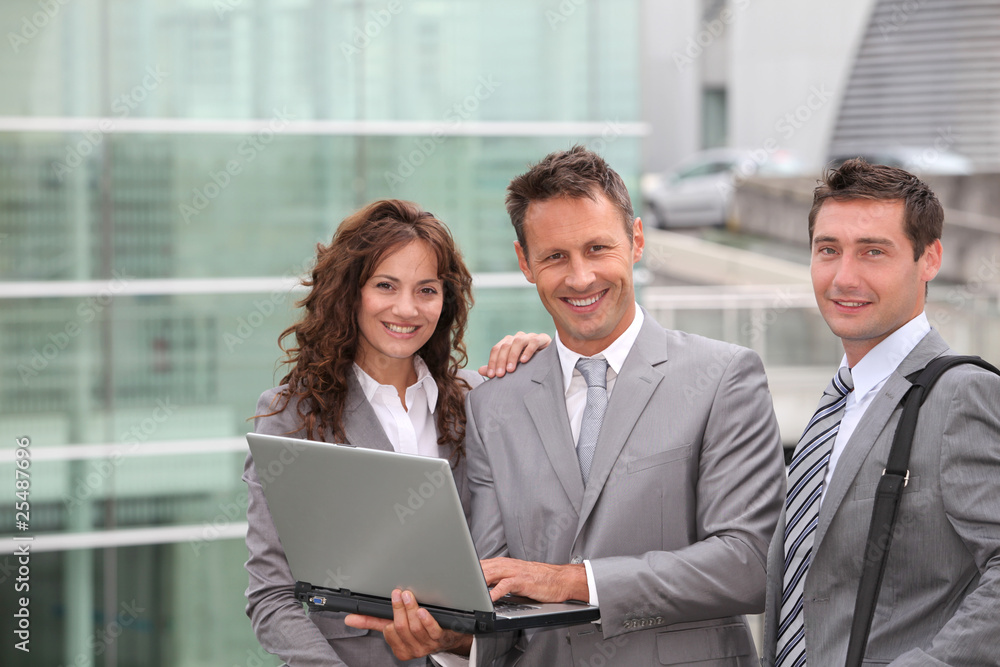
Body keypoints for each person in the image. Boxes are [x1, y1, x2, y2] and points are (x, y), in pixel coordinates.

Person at [348, 146, 787, 665]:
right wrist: (451, 638)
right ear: (525, 263)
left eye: (598, 248)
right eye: (555, 256)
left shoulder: (724, 378)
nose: (580, 278)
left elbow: (748, 565)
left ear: (637, 240)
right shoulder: (494, 404)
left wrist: (574, 582)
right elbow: (497, 590)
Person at [243, 199, 548, 667]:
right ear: (350, 292)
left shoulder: (480, 401)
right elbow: (271, 598)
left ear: (445, 300)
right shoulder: (293, 414)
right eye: (386, 285)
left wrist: (546, 365)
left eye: (426, 290)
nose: (406, 309)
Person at [761, 159, 1000, 666]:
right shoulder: (836, 402)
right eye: (828, 250)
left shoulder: (962, 395)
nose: (844, 277)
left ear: (929, 258)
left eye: (873, 252)